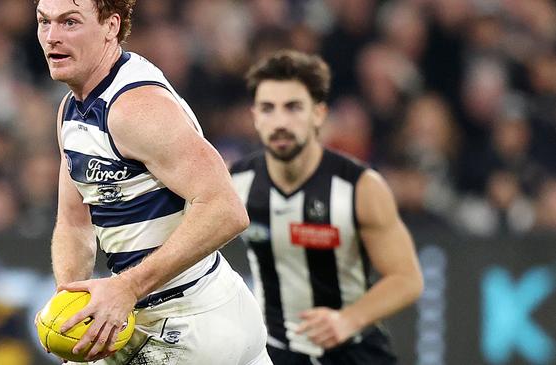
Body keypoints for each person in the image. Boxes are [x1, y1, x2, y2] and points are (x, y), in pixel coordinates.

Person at [33, 1, 272, 364]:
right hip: (198, 315)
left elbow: (227, 210)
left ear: (111, 26)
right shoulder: (72, 109)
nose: (52, 37)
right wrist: (73, 309)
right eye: (44, 22)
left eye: (70, 23)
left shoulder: (135, 107)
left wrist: (126, 287)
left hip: (188, 322)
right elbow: (73, 221)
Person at [230, 50, 424, 364]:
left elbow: (406, 278)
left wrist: (348, 319)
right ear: (255, 116)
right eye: (268, 109)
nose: (280, 121)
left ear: (319, 114)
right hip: (274, 353)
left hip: (353, 352)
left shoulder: (360, 187)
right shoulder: (234, 183)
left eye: (293, 107)